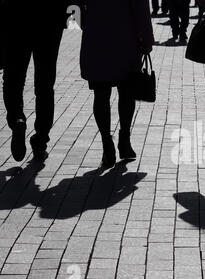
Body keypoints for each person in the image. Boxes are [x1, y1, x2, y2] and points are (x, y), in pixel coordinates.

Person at [80, 0, 154, 168]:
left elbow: (76, 4)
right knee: (127, 92)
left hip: (96, 36)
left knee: (101, 94)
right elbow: (140, 6)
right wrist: (147, 37)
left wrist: (86, 23)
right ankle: (124, 139)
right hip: (125, 36)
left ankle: (107, 144)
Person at [2, 0, 69, 162]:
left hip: (17, 16)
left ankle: (17, 118)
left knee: (13, 78)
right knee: (45, 84)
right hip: (50, 18)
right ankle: (40, 140)